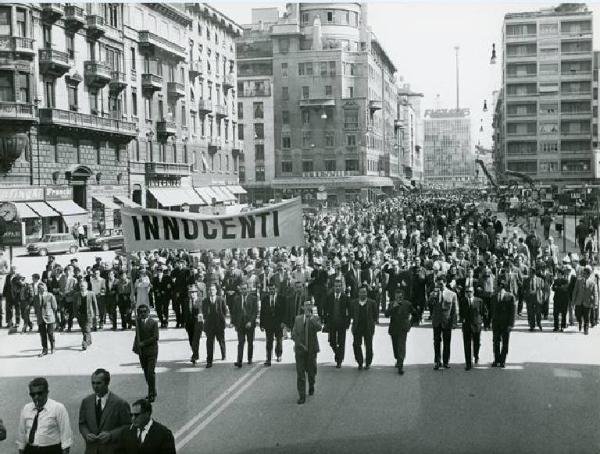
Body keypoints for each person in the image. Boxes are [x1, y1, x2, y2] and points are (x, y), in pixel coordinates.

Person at [78, 369, 130, 454]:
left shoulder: (120, 403)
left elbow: (128, 426)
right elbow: (82, 423)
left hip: (112, 450)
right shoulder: (86, 402)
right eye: (93, 383)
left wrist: (111, 435)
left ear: (107, 383)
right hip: (91, 450)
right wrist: (86, 434)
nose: (95, 386)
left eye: (98, 383)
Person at [17, 377, 73, 454]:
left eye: (40, 393)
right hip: (30, 450)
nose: (36, 397)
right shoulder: (26, 409)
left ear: (47, 392)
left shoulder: (58, 408)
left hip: (51, 450)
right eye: (33, 394)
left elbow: (66, 438)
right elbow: (21, 435)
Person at [291, 300, 322, 405]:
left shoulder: (315, 318)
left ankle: (312, 384)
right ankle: (302, 396)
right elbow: (293, 334)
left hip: (311, 350)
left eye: (310, 305)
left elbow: (319, 328)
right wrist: (299, 344)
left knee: (311, 371)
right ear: (302, 308)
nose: (308, 307)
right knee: (300, 374)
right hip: (300, 349)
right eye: (306, 305)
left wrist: (311, 318)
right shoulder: (298, 319)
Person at [133, 304, 159, 402]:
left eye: (144, 311)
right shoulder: (138, 322)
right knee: (145, 372)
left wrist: (143, 343)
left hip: (152, 351)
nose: (142, 313)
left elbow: (155, 337)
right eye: (140, 312)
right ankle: (153, 390)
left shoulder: (153, 323)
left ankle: (151, 394)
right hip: (142, 352)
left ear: (148, 312)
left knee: (150, 373)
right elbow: (128, 320)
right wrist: (130, 310)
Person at [429, 277, 457, 370]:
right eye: (438, 284)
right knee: (436, 342)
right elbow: (429, 304)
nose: (439, 286)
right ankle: (437, 361)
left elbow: (454, 310)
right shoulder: (433, 293)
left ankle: (445, 362)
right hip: (436, 321)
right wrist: (433, 296)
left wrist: (454, 322)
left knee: (446, 342)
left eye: (441, 284)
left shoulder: (452, 294)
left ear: (445, 283)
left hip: (447, 321)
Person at [385, 285, 413, 375]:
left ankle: (400, 365)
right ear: (394, 297)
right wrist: (394, 307)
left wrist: (410, 324)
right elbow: (386, 314)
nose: (399, 298)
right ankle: (398, 359)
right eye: (397, 297)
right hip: (394, 328)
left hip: (403, 328)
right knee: (395, 347)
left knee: (401, 346)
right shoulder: (391, 303)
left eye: (400, 297)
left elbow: (415, 314)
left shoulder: (407, 304)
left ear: (403, 296)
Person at [324, 277, 351, 368]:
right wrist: (325, 321)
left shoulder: (345, 297)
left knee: (341, 342)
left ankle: (339, 360)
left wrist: (347, 323)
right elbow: (325, 309)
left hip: (342, 323)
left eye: (339, 286)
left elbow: (349, 311)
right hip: (332, 322)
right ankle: (338, 354)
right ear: (333, 287)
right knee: (332, 341)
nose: (337, 288)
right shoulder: (329, 297)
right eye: (336, 286)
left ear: (342, 287)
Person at [231, 281, 258, 368]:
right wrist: (234, 323)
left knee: (250, 342)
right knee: (241, 342)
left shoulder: (253, 298)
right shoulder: (237, 299)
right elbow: (234, 312)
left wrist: (251, 321)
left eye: (245, 289)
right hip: (240, 324)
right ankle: (239, 361)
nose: (243, 291)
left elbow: (255, 312)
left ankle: (249, 358)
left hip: (249, 324)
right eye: (242, 289)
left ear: (248, 289)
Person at [350, 285, 378, 370]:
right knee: (356, 345)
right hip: (357, 327)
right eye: (361, 292)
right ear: (358, 293)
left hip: (368, 327)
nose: (363, 294)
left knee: (368, 346)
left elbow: (375, 316)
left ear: (367, 293)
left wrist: (372, 324)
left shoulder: (372, 303)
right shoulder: (353, 303)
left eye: (365, 292)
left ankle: (368, 363)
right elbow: (351, 315)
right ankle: (360, 362)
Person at [491, 281, 516, 368]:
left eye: (496, 286)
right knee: (495, 342)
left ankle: (503, 360)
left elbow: (513, 312)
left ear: (501, 286)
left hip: (506, 323)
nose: (494, 287)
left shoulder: (510, 296)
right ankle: (496, 359)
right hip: (496, 323)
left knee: (505, 343)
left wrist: (511, 324)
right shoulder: (493, 296)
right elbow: (492, 310)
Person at [201, 283, 227, 368]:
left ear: (216, 291)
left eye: (213, 290)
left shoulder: (221, 299)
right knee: (209, 343)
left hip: (219, 324)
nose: (211, 291)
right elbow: (204, 312)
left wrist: (223, 321)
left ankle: (223, 354)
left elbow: (224, 311)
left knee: (221, 340)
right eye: (210, 290)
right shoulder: (205, 301)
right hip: (210, 325)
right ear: (208, 292)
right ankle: (209, 361)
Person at [260, 282, 285, 366]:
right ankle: (268, 359)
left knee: (279, 340)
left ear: (276, 289)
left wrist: (283, 322)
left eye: (273, 289)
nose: (272, 291)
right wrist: (261, 324)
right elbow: (262, 312)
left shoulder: (281, 298)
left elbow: (284, 311)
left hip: (278, 323)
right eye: (270, 289)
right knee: (269, 342)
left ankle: (279, 355)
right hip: (268, 324)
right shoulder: (265, 299)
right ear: (268, 290)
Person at [459, 286, 483, 370]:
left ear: (473, 292)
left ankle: (476, 355)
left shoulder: (479, 301)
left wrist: (481, 321)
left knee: (476, 343)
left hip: (476, 325)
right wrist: (462, 320)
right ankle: (468, 363)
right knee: (467, 345)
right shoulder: (462, 301)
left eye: (470, 291)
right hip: (466, 326)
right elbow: (461, 313)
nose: (468, 293)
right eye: (467, 291)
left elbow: (484, 311)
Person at [74, 279, 98, 351]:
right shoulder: (76, 294)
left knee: (87, 328)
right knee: (83, 329)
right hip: (80, 314)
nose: (82, 287)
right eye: (81, 286)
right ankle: (89, 340)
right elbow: (74, 306)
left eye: (83, 286)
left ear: (86, 286)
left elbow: (95, 304)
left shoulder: (91, 293)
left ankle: (84, 343)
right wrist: (75, 314)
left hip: (89, 314)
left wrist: (96, 314)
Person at [572, 265, 597, 335]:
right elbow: (575, 291)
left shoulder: (592, 282)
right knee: (578, 315)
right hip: (579, 301)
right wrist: (573, 301)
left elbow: (595, 293)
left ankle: (586, 329)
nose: (583, 275)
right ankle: (580, 322)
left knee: (587, 317)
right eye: (583, 273)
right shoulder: (578, 280)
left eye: (585, 273)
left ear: (588, 274)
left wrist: (595, 303)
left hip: (587, 302)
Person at [184, 284, 203, 365]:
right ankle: (195, 354)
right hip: (189, 324)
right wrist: (184, 323)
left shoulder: (200, 301)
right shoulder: (186, 301)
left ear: (197, 293)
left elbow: (202, 313)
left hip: (198, 323)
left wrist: (201, 324)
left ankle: (195, 356)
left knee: (196, 340)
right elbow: (184, 312)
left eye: (194, 292)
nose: (192, 294)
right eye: (191, 292)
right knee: (191, 340)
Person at [36, 283, 57, 356]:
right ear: (38, 289)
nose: (43, 289)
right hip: (40, 318)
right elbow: (36, 308)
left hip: (49, 317)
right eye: (40, 288)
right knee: (43, 334)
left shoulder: (50, 295)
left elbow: (54, 307)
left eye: (44, 288)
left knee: (50, 333)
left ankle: (53, 347)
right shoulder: (35, 297)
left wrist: (51, 314)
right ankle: (45, 349)